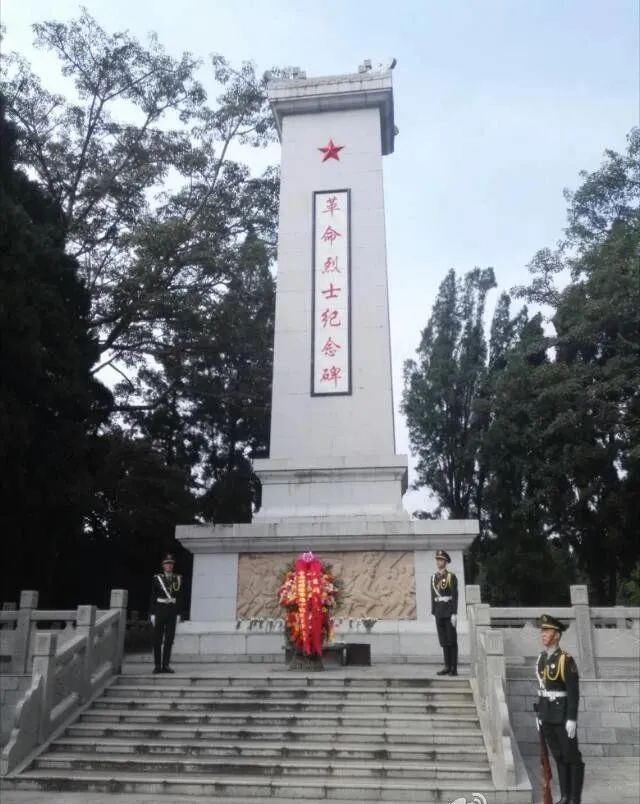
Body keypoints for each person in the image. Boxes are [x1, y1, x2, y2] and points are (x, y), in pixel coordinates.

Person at [534, 614, 584, 804]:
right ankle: (564, 796)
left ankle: (574, 798)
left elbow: (573, 692)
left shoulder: (565, 659)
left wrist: (572, 718)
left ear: (556, 635)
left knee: (572, 757)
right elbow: (542, 688)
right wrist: (539, 714)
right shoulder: (541, 659)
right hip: (547, 715)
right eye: (542, 631)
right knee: (559, 757)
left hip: (562, 715)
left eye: (547, 631)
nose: (543, 634)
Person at [149, 553, 184, 674]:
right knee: (157, 639)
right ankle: (157, 665)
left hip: (172, 611)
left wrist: (179, 613)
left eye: (171, 564)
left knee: (169, 639)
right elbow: (153, 596)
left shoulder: (178, 578)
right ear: (163, 566)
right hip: (160, 609)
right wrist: (152, 613)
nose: (169, 566)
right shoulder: (157, 578)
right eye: (167, 564)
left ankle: (166, 665)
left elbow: (180, 597)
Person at [430, 548, 458, 675]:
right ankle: (447, 666)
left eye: (441, 560)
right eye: (437, 559)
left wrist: (454, 613)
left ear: (445, 562)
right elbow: (433, 596)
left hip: (448, 612)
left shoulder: (451, 576)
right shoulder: (433, 578)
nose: (438, 561)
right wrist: (433, 612)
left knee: (452, 640)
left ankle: (454, 668)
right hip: (439, 613)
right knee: (443, 641)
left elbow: (454, 595)